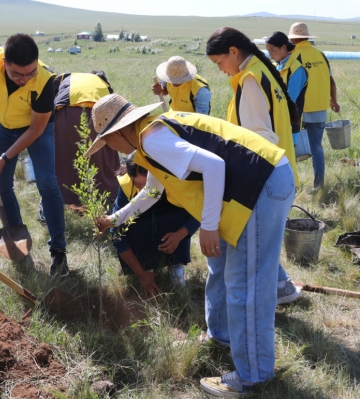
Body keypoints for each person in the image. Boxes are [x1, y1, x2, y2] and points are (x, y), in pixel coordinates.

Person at [90, 94, 295, 398]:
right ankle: (221, 336)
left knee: (246, 284)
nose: (109, 147)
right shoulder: (150, 138)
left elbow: (213, 166)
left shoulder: (153, 140)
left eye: (107, 140)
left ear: (119, 131)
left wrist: (208, 226)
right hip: (254, 183)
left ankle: (254, 375)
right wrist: (116, 219)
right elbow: (152, 190)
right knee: (220, 267)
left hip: (260, 186)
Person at [206, 27, 302, 306]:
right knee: (264, 246)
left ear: (234, 52)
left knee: (253, 251)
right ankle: (281, 287)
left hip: (264, 179)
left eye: (219, 63)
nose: (221, 70)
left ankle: (263, 304)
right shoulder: (262, 71)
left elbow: (258, 140)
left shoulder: (250, 80)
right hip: (283, 172)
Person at [0, 34, 68, 277]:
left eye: (30, 73)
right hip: (2, 125)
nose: (24, 79)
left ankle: (59, 252)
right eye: (17, 74)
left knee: (47, 183)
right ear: (4, 64)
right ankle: (16, 241)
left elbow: (36, 129)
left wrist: (6, 158)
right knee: (1, 185)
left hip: (36, 129)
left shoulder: (44, 81)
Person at [110, 152, 200, 297]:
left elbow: (199, 210)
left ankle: (175, 265)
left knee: (178, 216)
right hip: (144, 228)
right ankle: (143, 267)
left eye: (146, 186)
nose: (142, 193)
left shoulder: (174, 180)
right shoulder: (126, 186)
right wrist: (141, 274)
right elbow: (116, 233)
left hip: (170, 223)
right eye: (137, 186)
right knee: (128, 229)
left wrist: (180, 235)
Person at [53, 71, 120, 205]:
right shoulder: (103, 84)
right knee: (103, 154)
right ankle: (106, 195)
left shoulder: (64, 78)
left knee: (65, 155)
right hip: (100, 113)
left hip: (66, 112)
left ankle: (70, 198)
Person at [288, 22, 340, 188]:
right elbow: (331, 81)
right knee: (316, 147)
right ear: (307, 37)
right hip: (319, 108)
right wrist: (333, 100)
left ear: (293, 39)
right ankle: (319, 184)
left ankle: (292, 185)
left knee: (291, 148)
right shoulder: (321, 55)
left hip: (298, 111)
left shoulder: (293, 56)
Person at [265, 31, 308, 126]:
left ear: (283, 47)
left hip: (289, 123)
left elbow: (290, 99)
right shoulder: (274, 66)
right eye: (268, 51)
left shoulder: (297, 70)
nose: (270, 55)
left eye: (272, 51)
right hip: (274, 121)